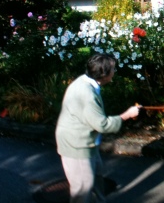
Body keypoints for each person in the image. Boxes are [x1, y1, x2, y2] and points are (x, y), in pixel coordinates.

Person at [55, 53, 140, 203]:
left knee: (97, 178)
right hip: (76, 144)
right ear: (104, 74)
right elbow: (101, 124)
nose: (114, 72)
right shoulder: (86, 93)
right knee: (83, 187)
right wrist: (127, 114)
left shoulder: (85, 81)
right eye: (113, 69)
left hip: (86, 141)